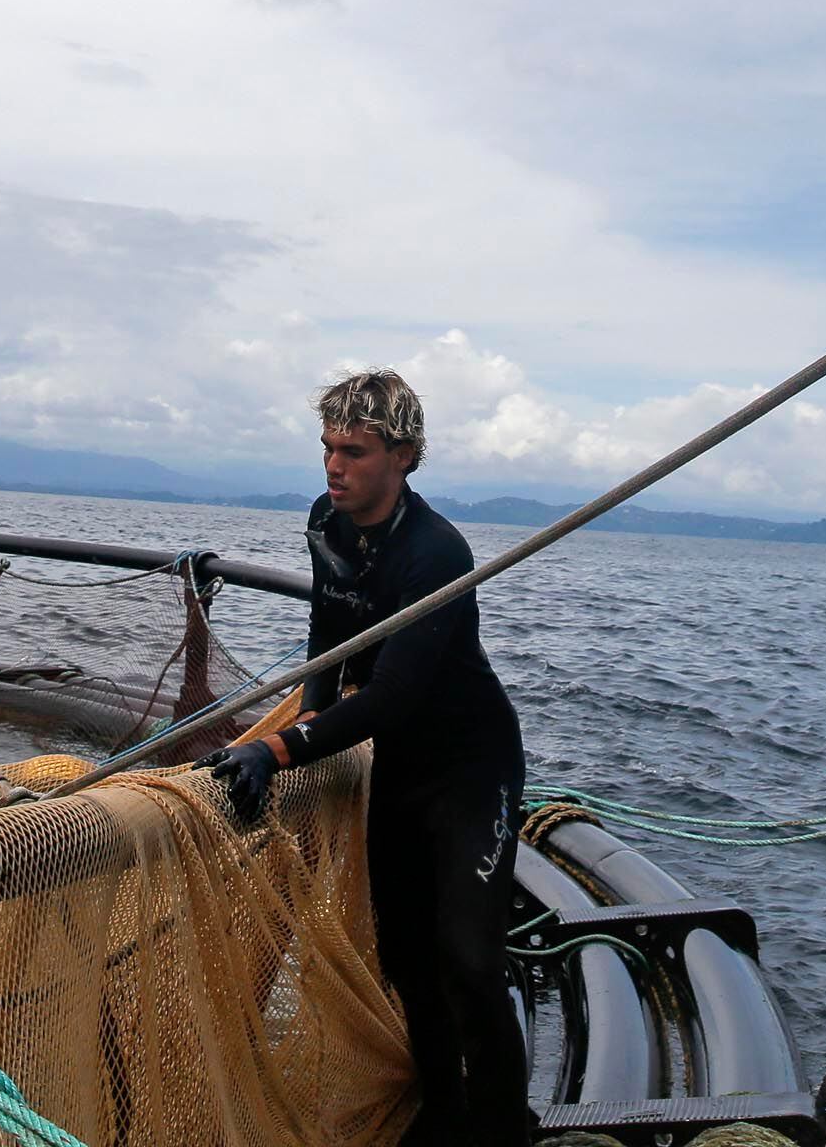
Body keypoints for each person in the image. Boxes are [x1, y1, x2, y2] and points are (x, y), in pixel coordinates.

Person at [202, 370, 532, 1146]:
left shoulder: (436, 552)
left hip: (471, 769)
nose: (333, 466)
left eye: (353, 452)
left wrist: (277, 748)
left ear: (404, 456)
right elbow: (330, 636)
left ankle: (505, 1132)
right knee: (405, 958)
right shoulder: (327, 520)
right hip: (403, 770)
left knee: (469, 961)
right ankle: (442, 1115)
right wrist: (309, 719)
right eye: (327, 448)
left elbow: (391, 698)